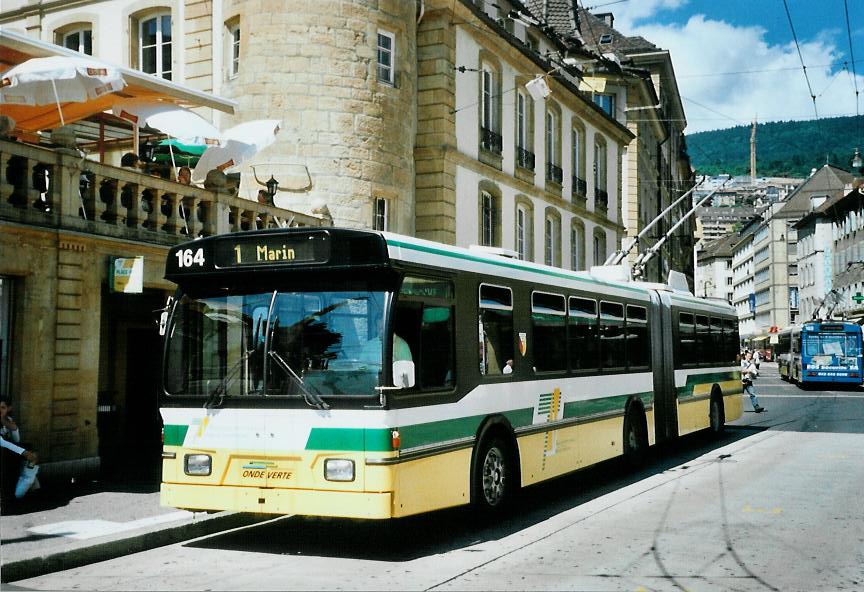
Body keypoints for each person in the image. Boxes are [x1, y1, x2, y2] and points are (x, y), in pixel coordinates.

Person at [0, 397, 39, 501]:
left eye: (2, 407)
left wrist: (13, 428)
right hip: (3, 453)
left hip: (6, 453)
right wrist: (24, 452)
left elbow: (16, 440)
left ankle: (26, 490)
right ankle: (20, 493)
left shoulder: (8, 421)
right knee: (27, 455)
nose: (0, 410)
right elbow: (1, 442)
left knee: (32, 456)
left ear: (8, 409)